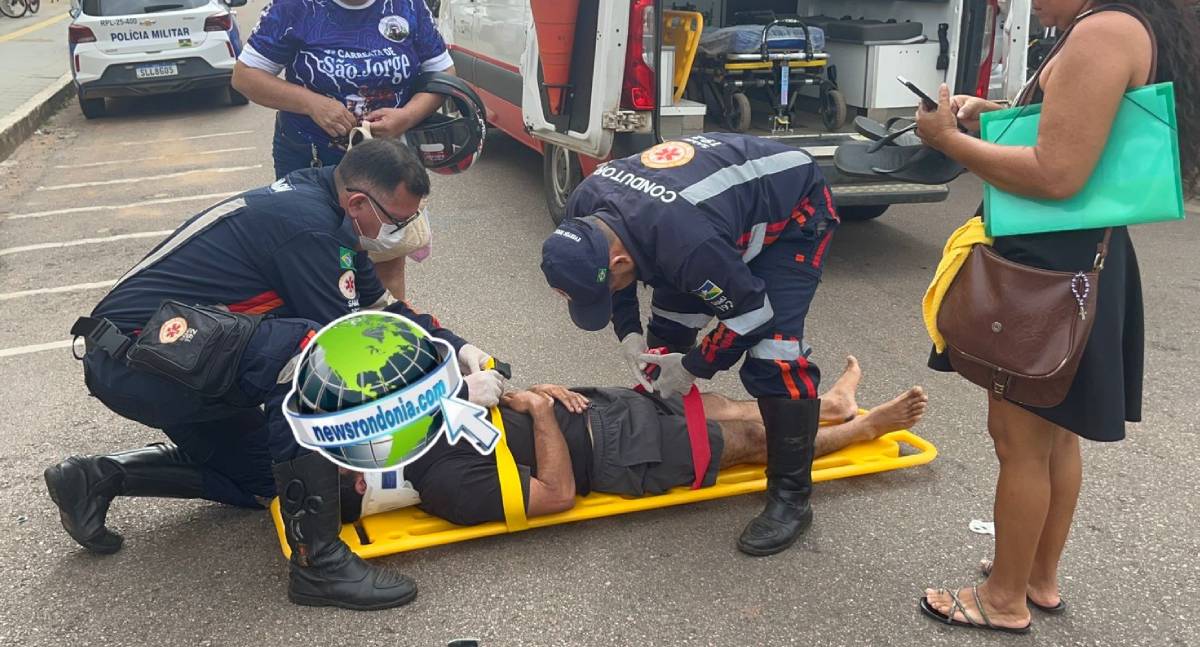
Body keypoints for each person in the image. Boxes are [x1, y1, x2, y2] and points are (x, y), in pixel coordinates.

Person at [45, 139, 503, 611]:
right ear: (360, 202)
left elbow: (380, 312)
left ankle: (98, 477)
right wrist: (452, 390)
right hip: (143, 357)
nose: (403, 232)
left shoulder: (333, 211)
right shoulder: (307, 228)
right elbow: (349, 350)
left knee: (270, 479)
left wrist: (456, 346)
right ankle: (318, 564)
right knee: (306, 353)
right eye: (398, 221)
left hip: (183, 359)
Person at [915, 0, 1200, 634]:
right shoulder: (1121, 24)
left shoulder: (1103, 32)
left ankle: (1004, 597)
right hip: (1080, 256)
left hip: (1049, 261)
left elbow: (1055, 173)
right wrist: (989, 118)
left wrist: (951, 142)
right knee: (1055, 431)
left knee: (1019, 440)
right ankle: (1037, 576)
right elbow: (1077, 135)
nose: (1005, 4)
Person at [539, 132, 840, 557]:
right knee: (665, 343)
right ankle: (683, 443)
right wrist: (629, 333)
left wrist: (696, 366)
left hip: (791, 213)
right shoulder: (585, 208)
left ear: (619, 261)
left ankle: (791, 497)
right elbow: (614, 281)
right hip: (700, 222)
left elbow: (751, 314)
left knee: (774, 355)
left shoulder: (686, 245)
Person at [339, 357, 928, 527]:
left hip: (597, 405)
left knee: (715, 404)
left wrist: (536, 391)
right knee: (746, 439)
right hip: (618, 455)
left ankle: (829, 407)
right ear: (365, 484)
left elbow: (497, 397)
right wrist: (543, 415)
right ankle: (864, 428)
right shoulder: (446, 489)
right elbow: (554, 495)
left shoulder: (412, 428)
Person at [231, 0, 456, 298]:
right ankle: (323, 334)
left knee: (385, 262)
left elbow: (444, 74)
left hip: (384, 162)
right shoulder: (294, 6)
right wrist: (312, 104)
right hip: (311, 158)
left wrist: (408, 116)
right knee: (318, 266)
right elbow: (245, 77)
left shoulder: (407, 4)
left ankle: (384, 335)